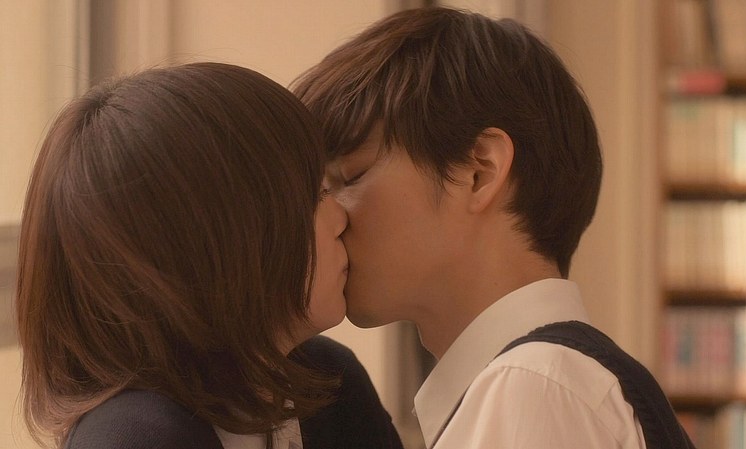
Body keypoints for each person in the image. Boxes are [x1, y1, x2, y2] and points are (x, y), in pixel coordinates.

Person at [294, 7, 693, 449]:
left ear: (479, 171)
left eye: (350, 178)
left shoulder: (533, 386)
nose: (329, 216)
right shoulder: (549, 380)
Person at [16, 62, 402, 449]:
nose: (341, 218)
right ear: (222, 238)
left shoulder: (327, 382)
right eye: (316, 194)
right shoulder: (135, 437)